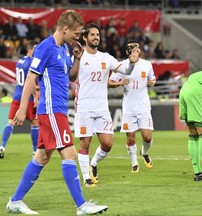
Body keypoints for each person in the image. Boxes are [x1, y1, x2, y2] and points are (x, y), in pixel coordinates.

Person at [6, 10, 108, 215]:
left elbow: (70, 76)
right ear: (65, 29)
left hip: (58, 109)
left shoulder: (64, 50)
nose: (77, 38)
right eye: (76, 33)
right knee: (69, 153)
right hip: (51, 110)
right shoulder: (45, 47)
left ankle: (15, 201)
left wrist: (78, 59)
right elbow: (30, 79)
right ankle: (81, 205)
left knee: (41, 158)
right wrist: (23, 108)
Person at [74, 23, 140, 187]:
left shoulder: (106, 57)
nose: (96, 37)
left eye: (97, 35)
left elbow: (126, 70)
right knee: (85, 143)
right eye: (92, 35)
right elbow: (70, 75)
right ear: (85, 37)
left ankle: (93, 163)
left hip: (102, 107)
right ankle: (86, 178)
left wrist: (131, 62)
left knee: (108, 143)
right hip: (84, 106)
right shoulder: (79, 57)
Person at [109, 41, 156, 173]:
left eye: (136, 49)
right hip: (129, 107)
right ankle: (134, 163)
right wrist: (119, 83)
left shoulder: (147, 65)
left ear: (139, 51)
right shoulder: (122, 65)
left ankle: (144, 152)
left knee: (147, 137)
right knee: (130, 136)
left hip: (143, 106)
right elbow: (110, 81)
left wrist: (152, 82)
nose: (134, 51)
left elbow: (153, 78)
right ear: (127, 52)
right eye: (131, 50)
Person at [0, 41, 38, 159]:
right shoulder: (32, 62)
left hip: (17, 95)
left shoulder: (20, 61)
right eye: (35, 49)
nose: (37, 51)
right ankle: (34, 151)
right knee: (35, 123)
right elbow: (29, 81)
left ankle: (2, 147)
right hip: (28, 97)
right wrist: (36, 97)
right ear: (30, 49)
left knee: (11, 122)